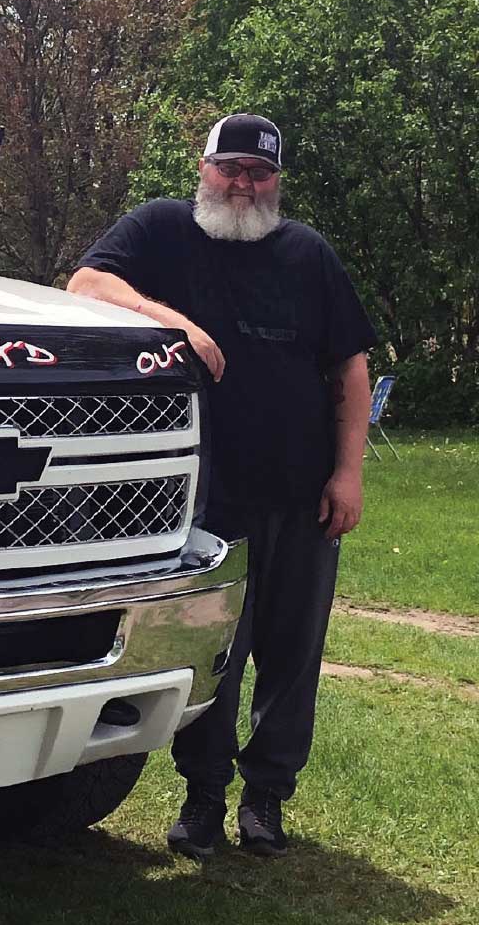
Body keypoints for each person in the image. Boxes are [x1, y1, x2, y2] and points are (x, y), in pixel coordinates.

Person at [67, 113, 377, 859]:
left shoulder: (308, 254)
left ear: (277, 181)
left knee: (292, 652)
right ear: (202, 166)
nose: (243, 183)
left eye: (259, 172)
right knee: (216, 652)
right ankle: (202, 795)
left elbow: (351, 369)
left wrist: (349, 472)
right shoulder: (163, 230)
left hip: (303, 495)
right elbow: (85, 282)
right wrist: (172, 320)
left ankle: (266, 798)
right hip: (204, 499)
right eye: (230, 167)